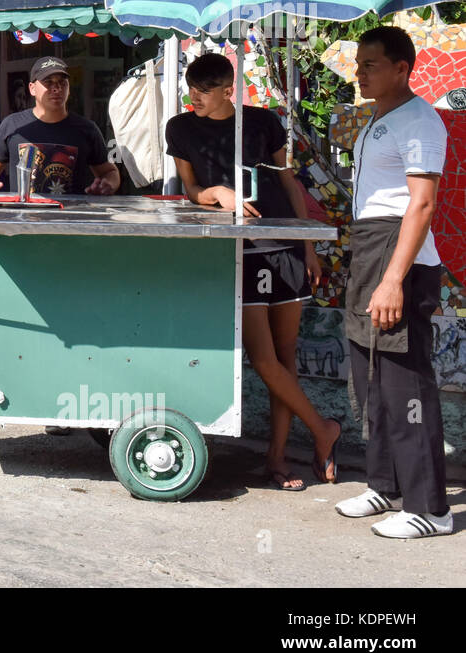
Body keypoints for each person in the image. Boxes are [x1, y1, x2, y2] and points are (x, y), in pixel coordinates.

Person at [165, 53, 341, 491]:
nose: (195, 98)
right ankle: (322, 429)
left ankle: (277, 461)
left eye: (204, 91)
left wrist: (308, 246)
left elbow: (288, 183)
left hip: (284, 245)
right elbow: (189, 190)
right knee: (263, 359)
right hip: (237, 251)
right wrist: (217, 192)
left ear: (228, 90)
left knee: (285, 359)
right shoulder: (181, 128)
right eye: (192, 89)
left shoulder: (263, 122)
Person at [335, 27, 452, 538]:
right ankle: (385, 483)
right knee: (371, 379)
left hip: (399, 257)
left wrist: (393, 280)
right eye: (359, 64)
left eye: (370, 65)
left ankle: (431, 508)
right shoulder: (379, 118)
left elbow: (421, 205)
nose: (360, 73)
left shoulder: (420, 121)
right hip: (370, 248)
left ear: (403, 68)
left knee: (407, 385)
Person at [0, 56, 120, 196]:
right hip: (23, 218)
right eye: (48, 82)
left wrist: (108, 184)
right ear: (32, 88)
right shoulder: (13, 125)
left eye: (62, 82)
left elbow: (109, 171)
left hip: (72, 218)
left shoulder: (87, 129)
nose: (56, 88)